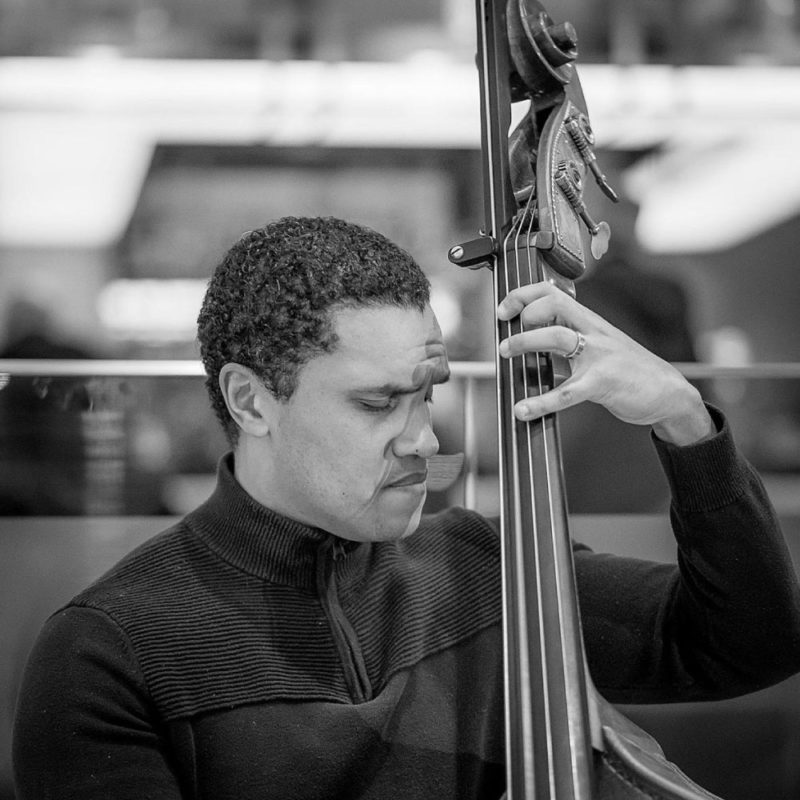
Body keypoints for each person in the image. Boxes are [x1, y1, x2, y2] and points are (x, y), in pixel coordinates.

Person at [12, 216, 800, 799]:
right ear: (251, 401)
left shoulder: (480, 566)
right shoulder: (109, 650)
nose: (422, 440)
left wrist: (685, 421)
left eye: (426, 397)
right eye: (377, 403)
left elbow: (750, 643)